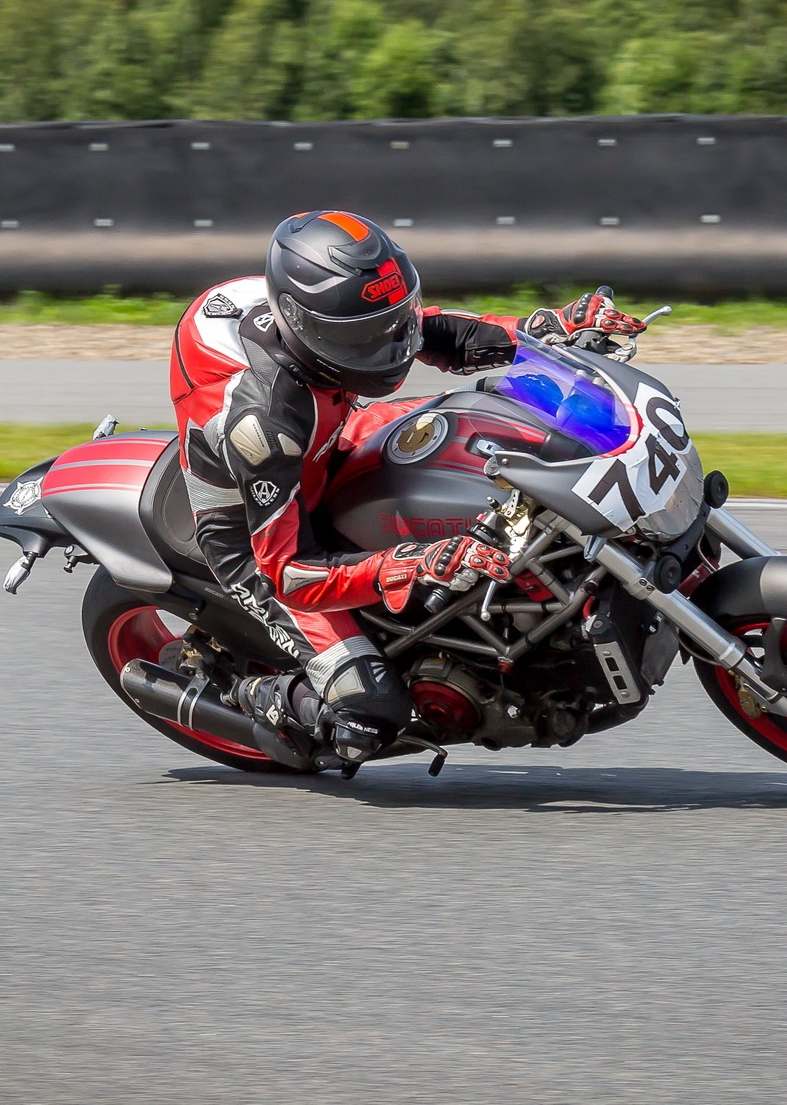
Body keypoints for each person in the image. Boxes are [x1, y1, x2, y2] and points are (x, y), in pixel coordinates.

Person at [169, 209, 647, 764]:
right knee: (369, 714)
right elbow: (289, 574)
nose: (393, 348)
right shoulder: (264, 425)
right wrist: (413, 563)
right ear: (302, 326)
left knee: (508, 419)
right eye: (365, 339)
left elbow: (425, 329)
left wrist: (548, 329)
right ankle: (261, 697)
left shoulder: (334, 317)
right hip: (259, 540)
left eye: (392, 322)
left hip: (330, 435)